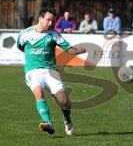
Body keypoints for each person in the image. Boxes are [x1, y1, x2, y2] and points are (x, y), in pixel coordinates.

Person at [17, 7, 86, 135]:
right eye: (48, 20)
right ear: (40, 18)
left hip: (50, 71)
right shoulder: (25, 34)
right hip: (33, 71)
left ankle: (67, 119)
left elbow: (68, 49)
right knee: (39, 93)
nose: (50, 23)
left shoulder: (54, 34)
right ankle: (48, 123)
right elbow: (21, 47)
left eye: (52, 21)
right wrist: (32, 59)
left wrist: (78, 50)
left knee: (64, 101)